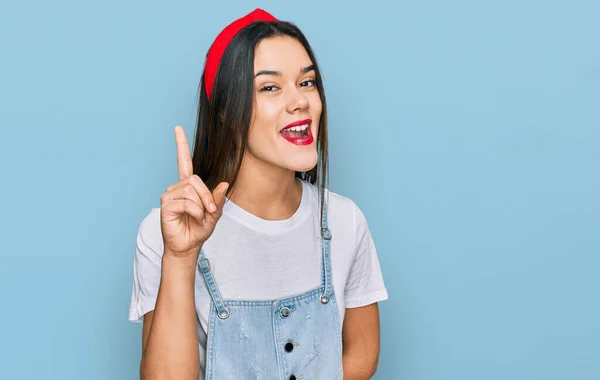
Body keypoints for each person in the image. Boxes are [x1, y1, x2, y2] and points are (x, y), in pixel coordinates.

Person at [128, 8, 388, 380]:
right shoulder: (164, 234)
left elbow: (362, 353)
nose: (300, 101)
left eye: (307, 82)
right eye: (270, 87)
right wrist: (181, 257)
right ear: (227, 113)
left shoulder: (346, 221)